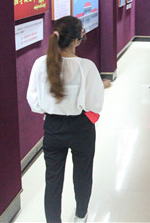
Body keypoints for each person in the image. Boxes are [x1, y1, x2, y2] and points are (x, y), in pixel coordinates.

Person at [26, 16, 111, 223]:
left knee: (52, 180)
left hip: (53, 127)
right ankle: (81, 216)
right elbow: (95, 104)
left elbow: (34, 101)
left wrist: (51, 109)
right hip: (81, 127)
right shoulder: (86, 67)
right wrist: (101, 86)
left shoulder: (41, 64)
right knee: (83, 174)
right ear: (75, 40)